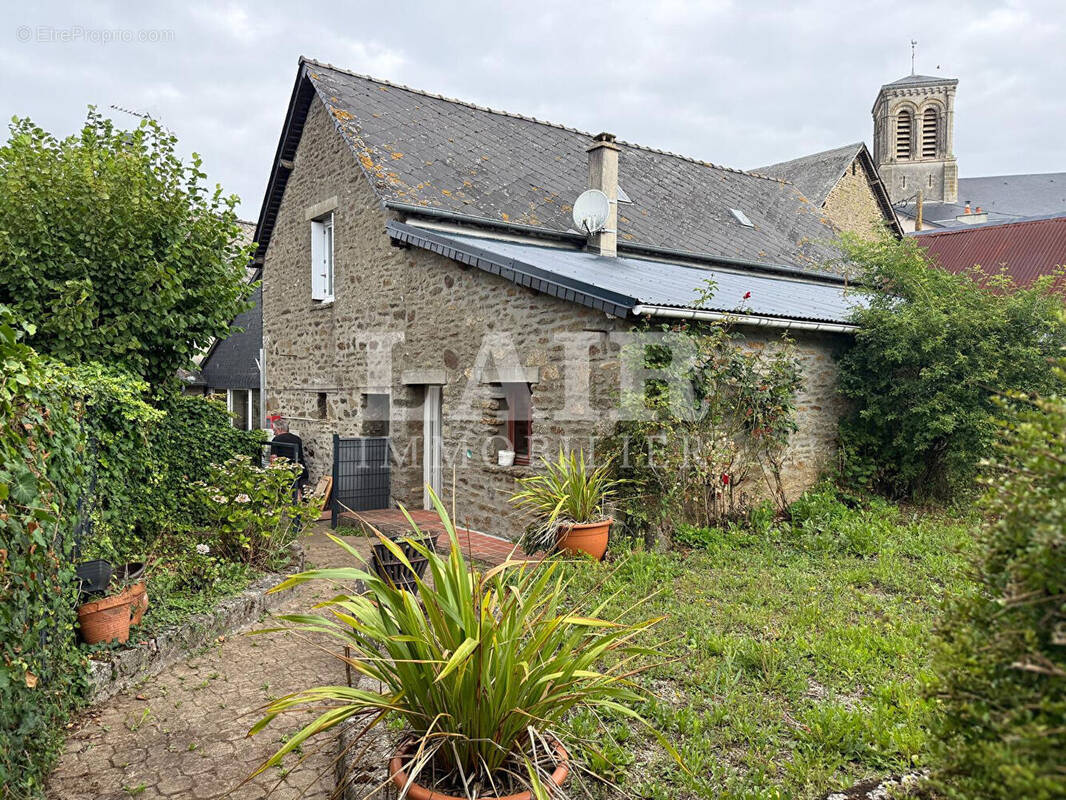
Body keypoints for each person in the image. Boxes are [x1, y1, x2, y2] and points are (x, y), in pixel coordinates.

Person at [270, 419, 308, 496]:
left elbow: (273, 458)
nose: (274, 433)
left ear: (279, 429)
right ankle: (298, 505)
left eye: (274, 431)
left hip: (284, 471)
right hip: (299, 469)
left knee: (281, 491)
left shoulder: (276, 439)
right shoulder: (297, 439)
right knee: (297, 490)